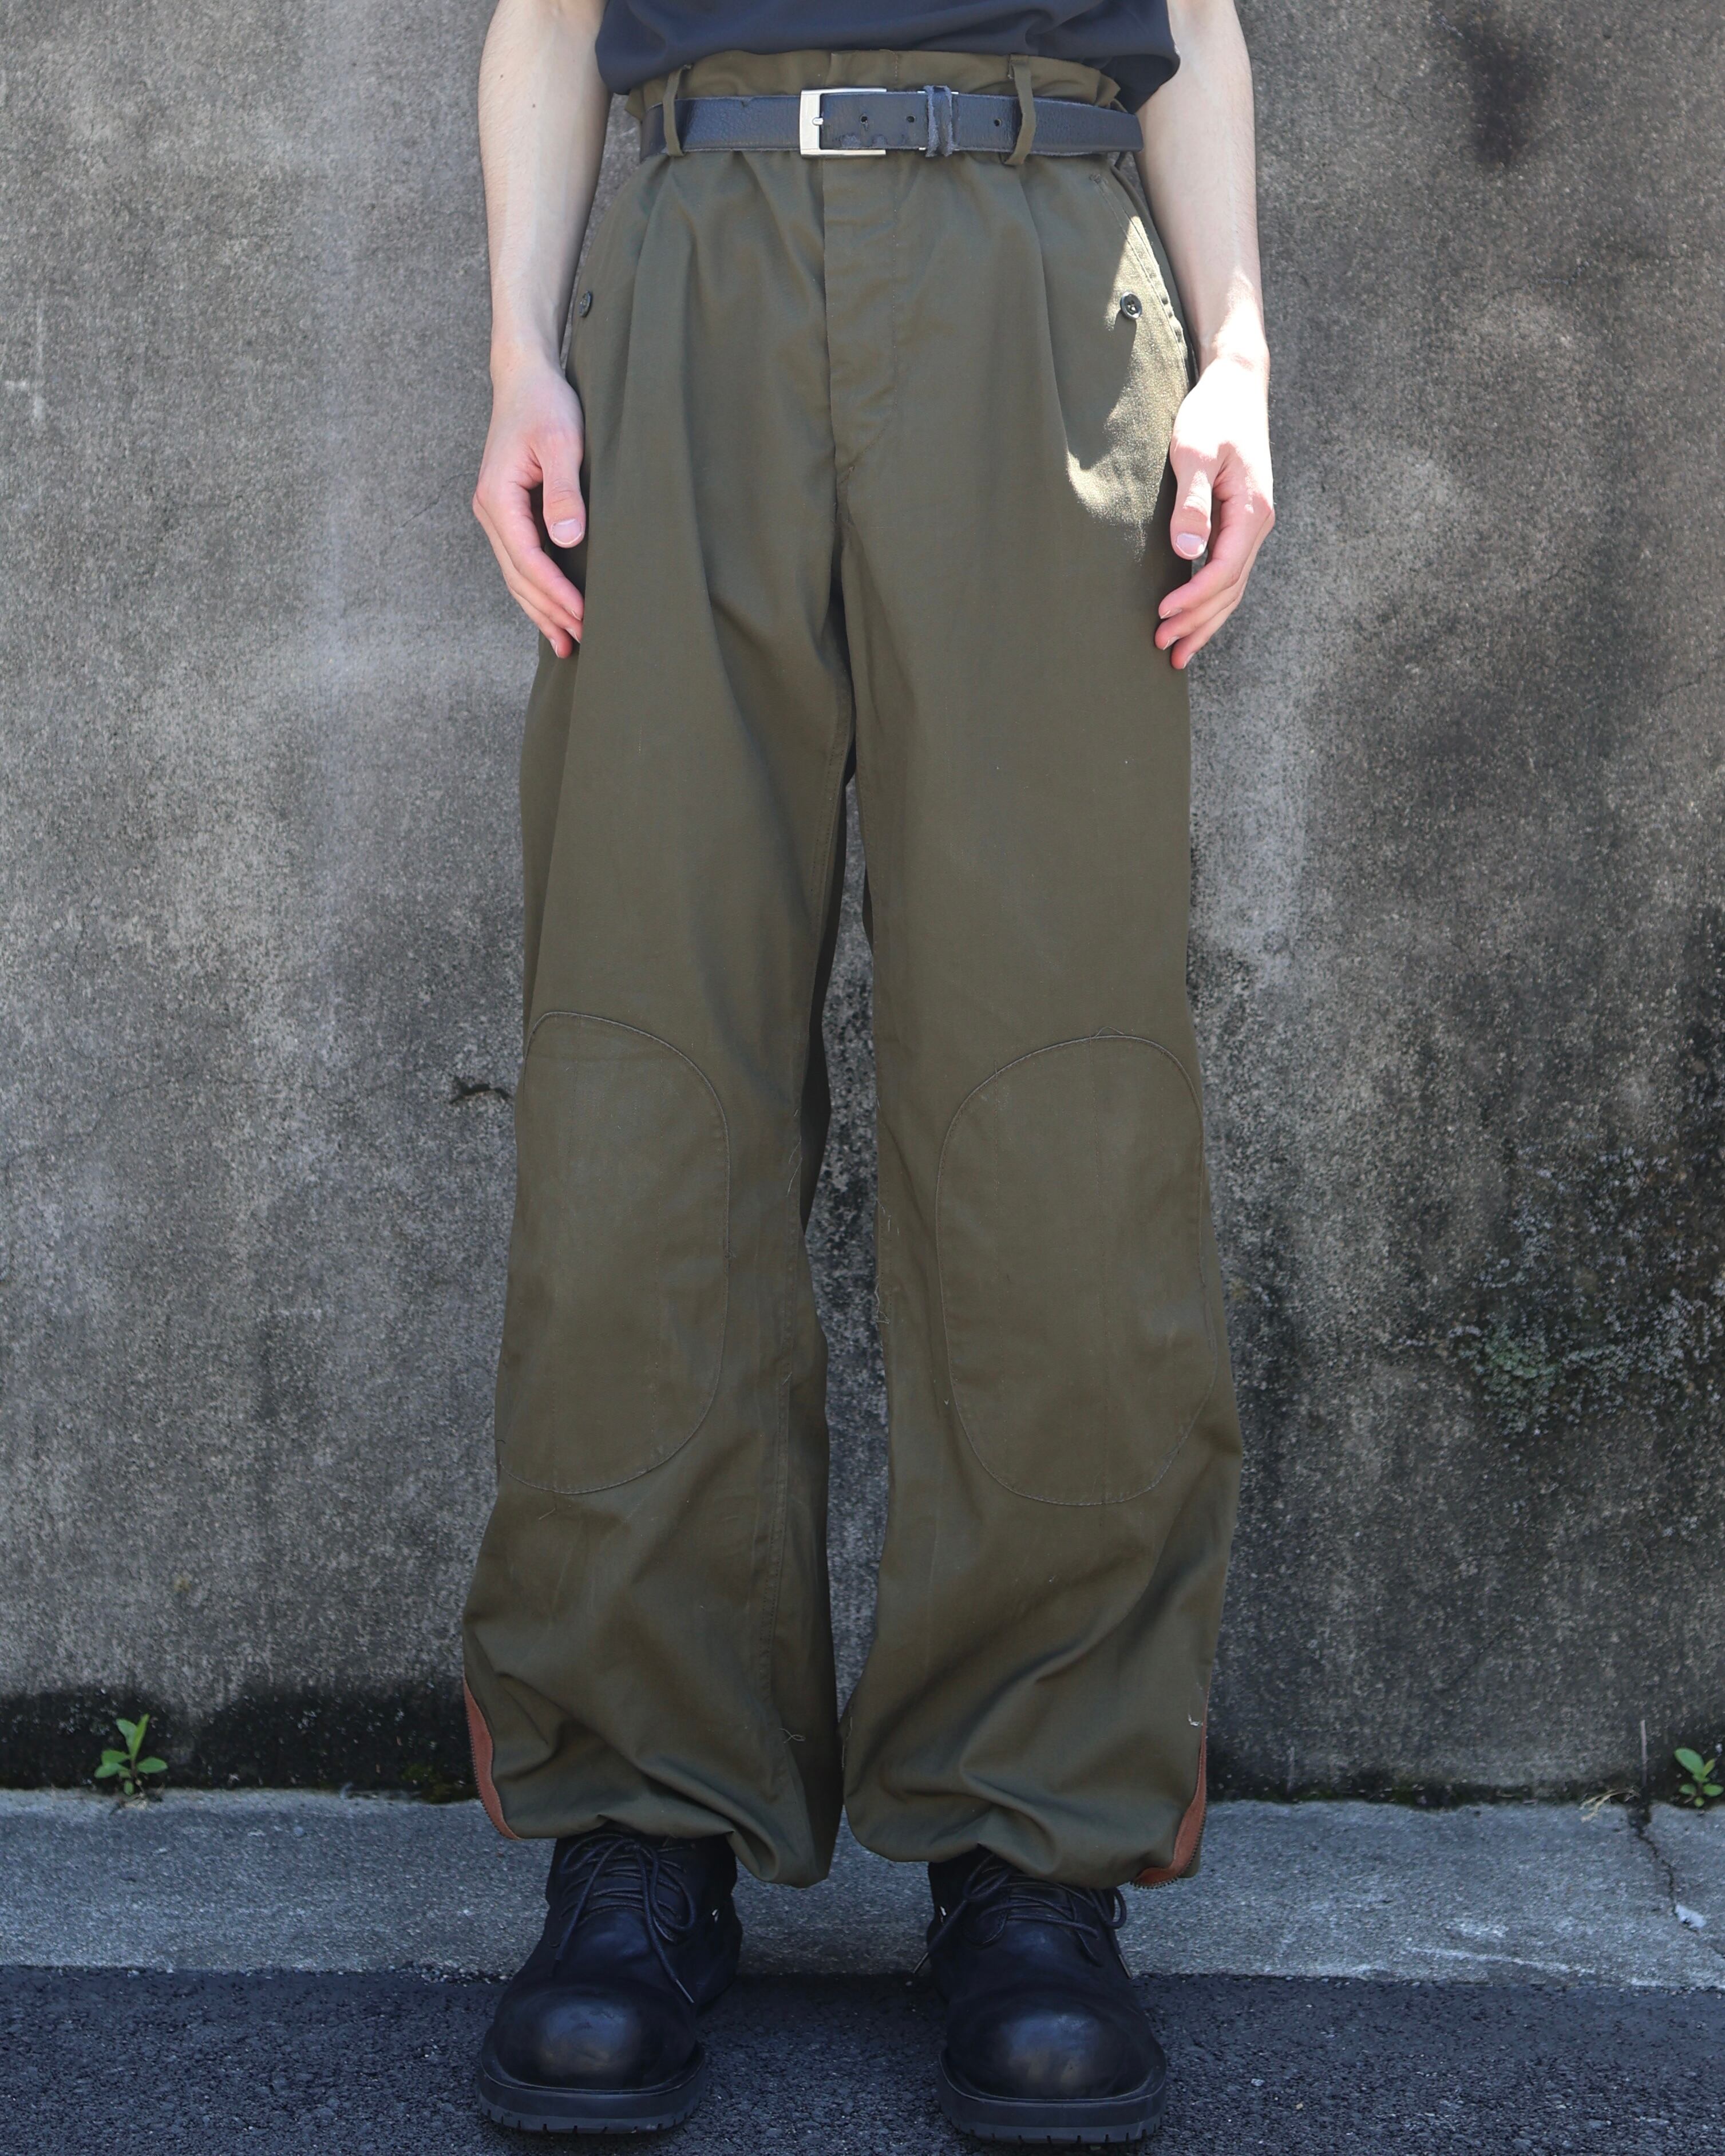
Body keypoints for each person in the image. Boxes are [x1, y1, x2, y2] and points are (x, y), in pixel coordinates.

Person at [461, 0, 1272, 2139]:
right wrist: (520, 351)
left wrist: (1240, 351)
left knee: (1057, 1092)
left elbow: (1195, 22)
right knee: (646, 1069)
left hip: (1042, 262)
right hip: (695, 262)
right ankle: (643, 1821)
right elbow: (547, 19)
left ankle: (1034, 1837)